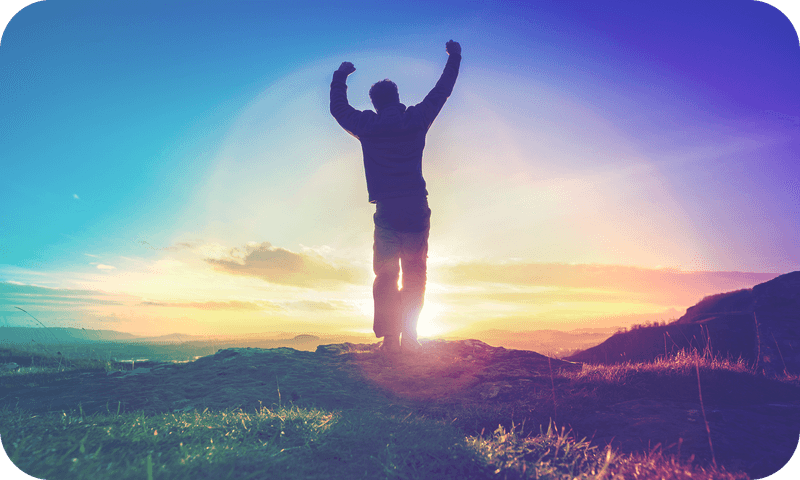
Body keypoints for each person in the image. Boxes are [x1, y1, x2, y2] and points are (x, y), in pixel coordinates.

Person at [329, 40, 461, 353]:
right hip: (415, 206)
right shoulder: (415, 119)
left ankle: (390, 340)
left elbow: (338, 109)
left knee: (386, 272)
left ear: (374, 103)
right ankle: (411, 338)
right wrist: (455, 57)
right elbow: (442, 90)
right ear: (397, 99)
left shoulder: (367, 124)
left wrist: (341, 76)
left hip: (386, 209)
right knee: (415, 271)